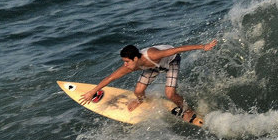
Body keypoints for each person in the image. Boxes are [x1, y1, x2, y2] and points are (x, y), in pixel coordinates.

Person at [80, 39, 218, 122]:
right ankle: (141, 100)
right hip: (153, 67)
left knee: (170, 94)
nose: (125, 65)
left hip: (170, 62)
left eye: (127, 61)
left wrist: (203, 47)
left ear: (135, 59)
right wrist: (92, 92)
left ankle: (187, 110)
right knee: (138, 91)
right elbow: (110, 78)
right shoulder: (130, 66)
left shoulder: (153, 54)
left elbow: (178, 49)